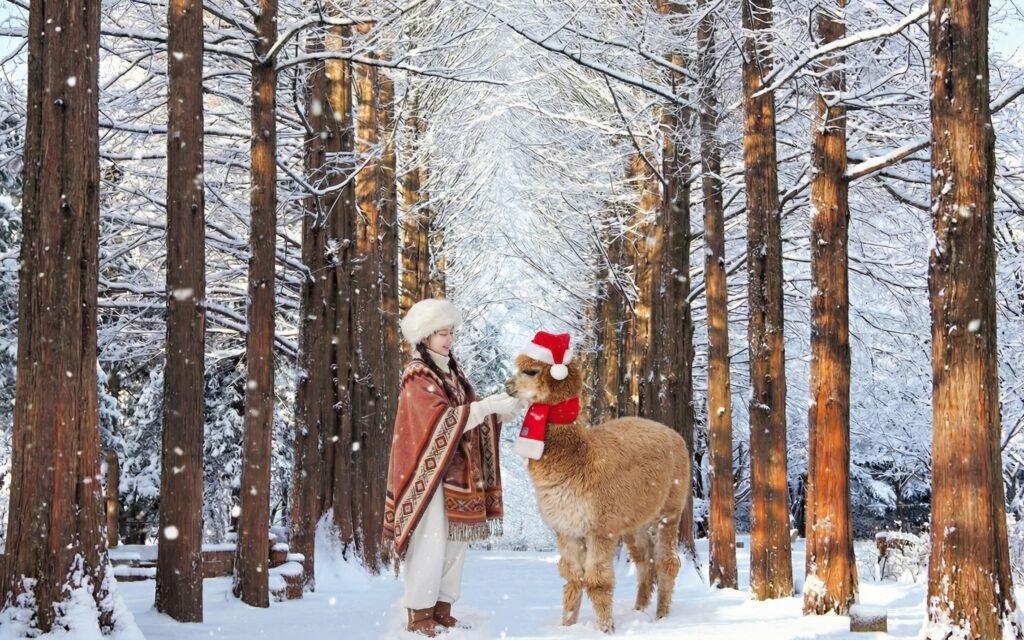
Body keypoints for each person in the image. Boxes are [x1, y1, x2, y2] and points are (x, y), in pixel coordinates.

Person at [383, 298, 522, 636]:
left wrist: (496, 412)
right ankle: (419, 612)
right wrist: (484, 408)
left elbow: (469, 412)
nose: (447, 339)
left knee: (453, 545)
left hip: (458, 475)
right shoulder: (417, 374)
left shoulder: (454, 372)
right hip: (427, 475)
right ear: (424, 337)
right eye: (440, 333)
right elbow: (439, 421)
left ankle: (443, 608)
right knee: (429, 545)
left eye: (450, 332)